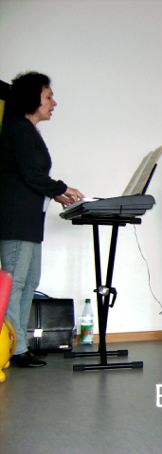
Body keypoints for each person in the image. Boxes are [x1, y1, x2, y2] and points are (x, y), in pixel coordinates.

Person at [0, 72, 83, 368]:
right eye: (48, 96)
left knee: (29, 281)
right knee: (15, 283)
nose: (53, 102)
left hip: (29, 220)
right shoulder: (18, 128)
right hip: (16, 219)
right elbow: (30, 174)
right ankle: (16, 348)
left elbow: (31, 176)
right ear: (31, 98)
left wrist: (56, 193)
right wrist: (61, 188)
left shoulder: (26, 129)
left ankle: (18, 344)